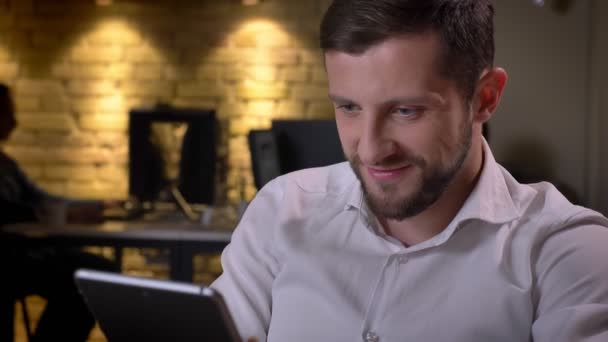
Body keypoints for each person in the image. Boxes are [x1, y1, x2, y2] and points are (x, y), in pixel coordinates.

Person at [211, 1, 608, 341]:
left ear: (484, 98)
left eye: (405, 111)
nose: (370, 150)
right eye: (349, 107)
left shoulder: (565, 253)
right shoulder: (282, 210)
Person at [0, 83, 118, 342]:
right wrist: (63, 214)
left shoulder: (6, 164)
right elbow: (13, 210)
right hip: (10, 260)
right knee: (93, 275)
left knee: (98, 271)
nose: (15, 121)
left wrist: (94, 205)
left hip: (26, 254)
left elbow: (43, 198)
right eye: (7, 112)